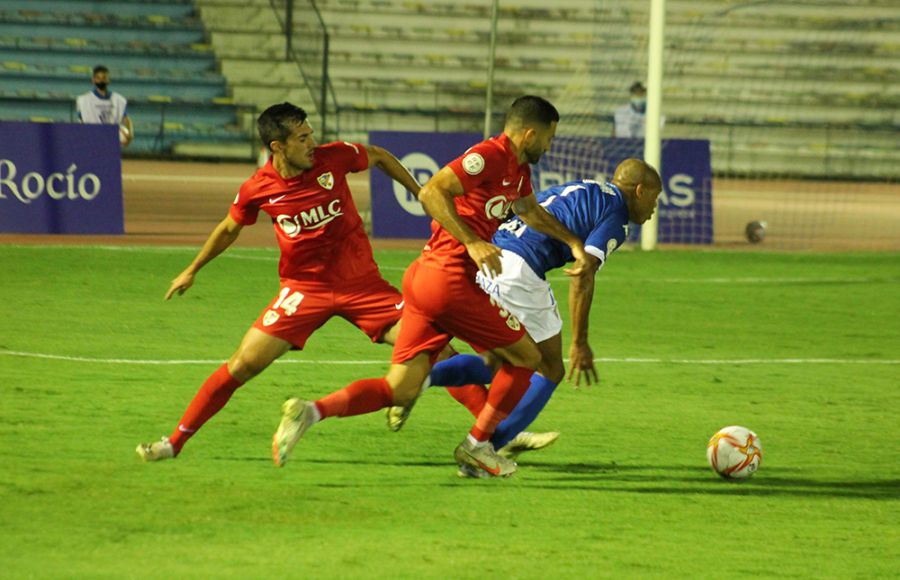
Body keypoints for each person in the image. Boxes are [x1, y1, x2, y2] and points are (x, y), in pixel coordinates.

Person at [272, 95, 590, 478]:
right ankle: (477, 447)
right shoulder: (488, 156)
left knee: (401, 388)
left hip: (424, 280)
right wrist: (471, 241)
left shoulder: (518, 170)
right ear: (530, 134)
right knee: (526, 357)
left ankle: (310, 412)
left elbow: (530, 210)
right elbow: (431, 192)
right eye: (549, 139)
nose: (550, 146)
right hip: (448, 280)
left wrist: (573, 243)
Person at [136, 102, 421, 461]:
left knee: (435, 351)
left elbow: (379, 156)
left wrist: (420, 192)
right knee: (242, 365)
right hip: (303, 291)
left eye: (311, 133)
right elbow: (228, 228)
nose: (312, 142)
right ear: (278, 146)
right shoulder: (258, 188)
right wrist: (192, 269)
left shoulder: (333, 158)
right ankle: (173, 443)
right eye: (302, 138)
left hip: (362, 285)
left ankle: (487, 436)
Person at [409, 159, 662, 477]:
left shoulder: (582, 188)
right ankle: (483, 449)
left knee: (502, 361)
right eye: (654, 198)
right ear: (639, 191)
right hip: (519, 271)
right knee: (550, 367)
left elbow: (523, 207)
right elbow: (583, 275)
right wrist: (579, 343)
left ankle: (418, 380)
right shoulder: (616, 215)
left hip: (491, 258)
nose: (654, 208)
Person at [76, 65, 134, 147]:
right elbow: (80, 123)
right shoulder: (84, 100)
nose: (101, 81)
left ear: (108, 79)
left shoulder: (119, 100)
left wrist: (130, 134)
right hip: (91, 142)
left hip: (111, 143)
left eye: (104, 78)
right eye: (98, 78)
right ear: (93, 80)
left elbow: (126, 119)